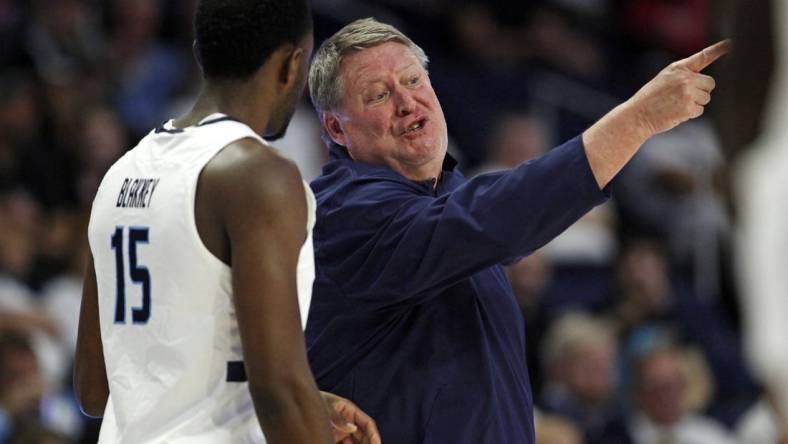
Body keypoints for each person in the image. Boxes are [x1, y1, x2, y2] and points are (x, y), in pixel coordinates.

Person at [305, 17, 729, 443]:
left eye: (414, 80)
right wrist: (636, 120)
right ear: (336, 129)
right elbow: (493, 218)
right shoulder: (344, 214)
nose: (407, 102)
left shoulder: (446, 193)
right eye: (379, 95)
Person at [73, 1, 379, 443]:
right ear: (293, 65)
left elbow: (95, 390)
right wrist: (296, 404)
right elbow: (278, 386)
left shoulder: (120, 175)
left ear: (200, 55)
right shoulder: (258, 176)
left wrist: (306, 403)